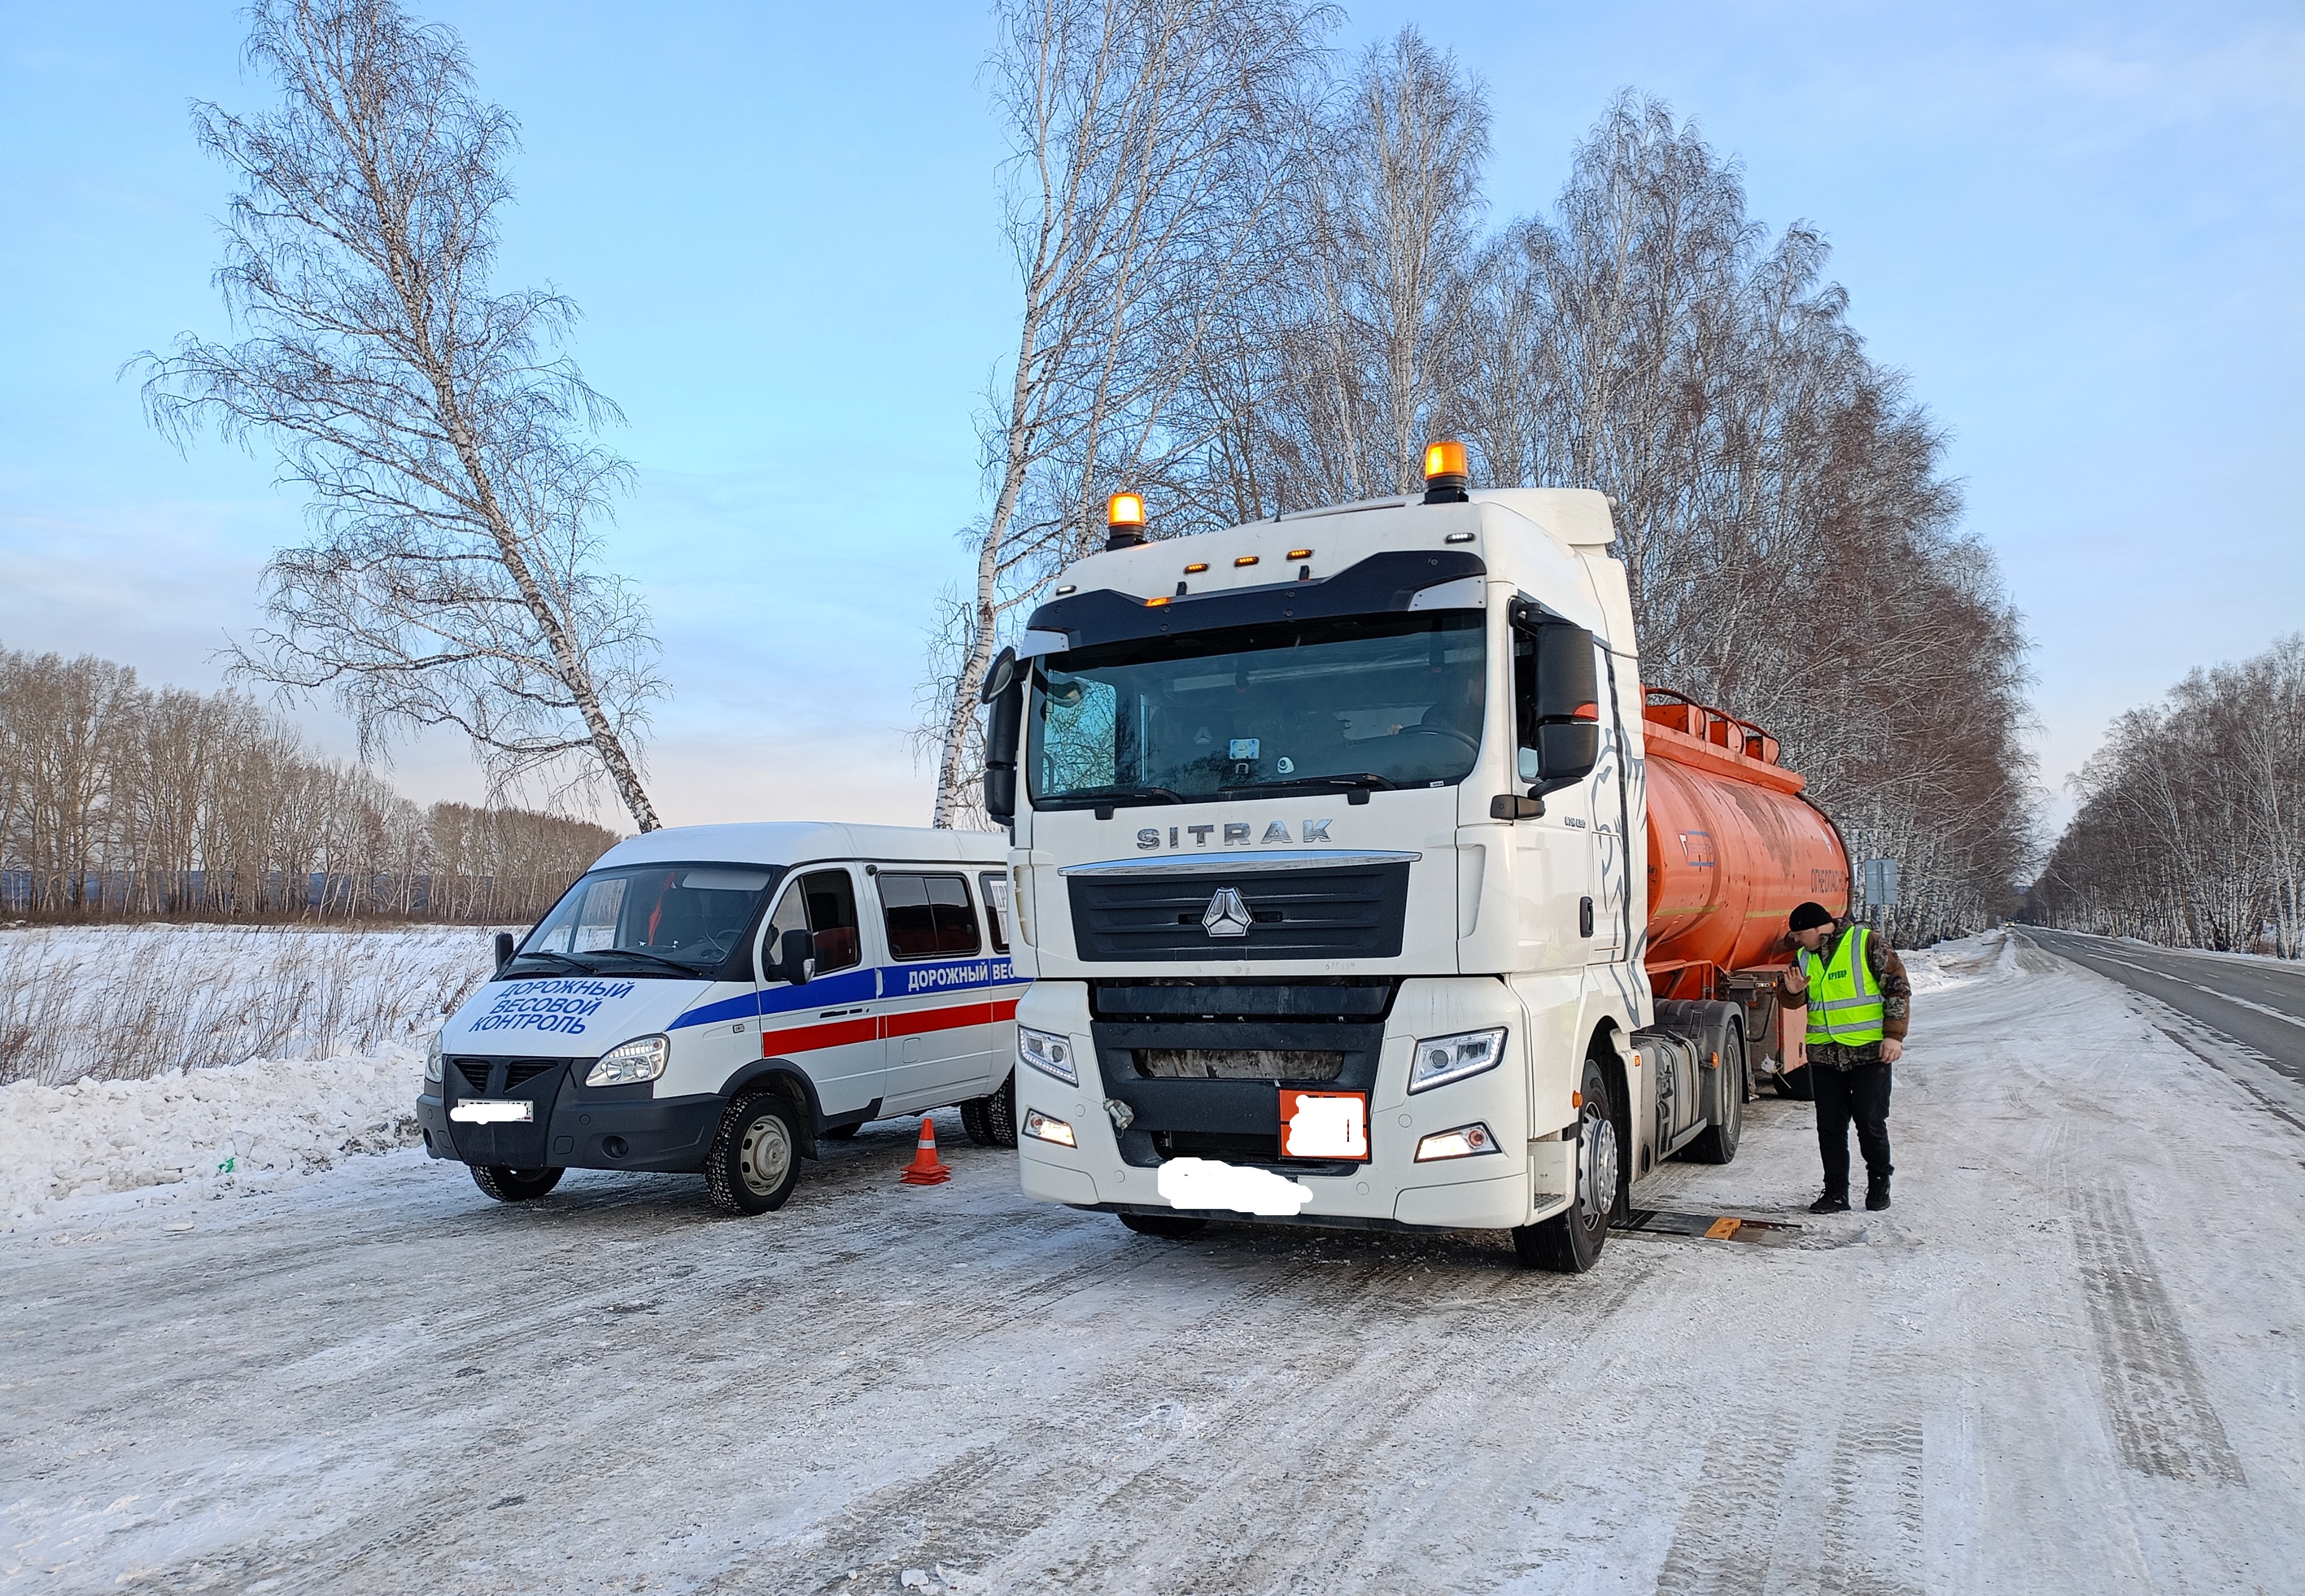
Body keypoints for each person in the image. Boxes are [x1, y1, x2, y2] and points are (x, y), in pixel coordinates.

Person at [1781, 900, 1911, 1213]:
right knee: (1830, 1127)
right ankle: (1836, 1192)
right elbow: (1790, 1000)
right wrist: (1794, 991)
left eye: (1799, 934)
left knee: (1870, 1122)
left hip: (1870, 1053)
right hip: (1825, 1055)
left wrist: (1894, 1036)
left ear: (1818, 928)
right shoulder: (1803, 957)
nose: (1796, 940)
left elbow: (1897, 987)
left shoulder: (1866, 943)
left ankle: (1880, 1180)